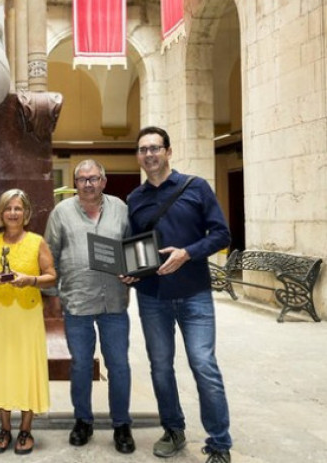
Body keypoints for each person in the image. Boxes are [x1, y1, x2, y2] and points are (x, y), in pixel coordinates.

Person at [123, 127, 232, 463]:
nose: (149, 154)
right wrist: (129, 270)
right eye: (143, 150)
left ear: (168, 152)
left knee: (204, 365)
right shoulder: (134, 199)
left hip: (194, 292)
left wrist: (187, 252)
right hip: (152, 295)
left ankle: (219, 442)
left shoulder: (195, 187)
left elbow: (221, 234)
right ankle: (173, 428)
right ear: (139, 156)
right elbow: (135, 247)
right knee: (160, 367)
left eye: (155, 148)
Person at [44, 159, 136, 454]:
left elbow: (133, 247)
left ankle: (121, 425)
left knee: (118, 365)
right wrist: (52, 296)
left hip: (114, 301)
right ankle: (83, 420)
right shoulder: (61, 212)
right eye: (82, 179)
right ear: (75, 182)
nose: (88, 184)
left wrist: (134, 270)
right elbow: (50, 254)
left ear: (104, 181)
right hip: (77, 301)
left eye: (94, 178)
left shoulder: (121, 209)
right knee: (81, 365)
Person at [0, 189, 56, 455]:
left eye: (18, 208)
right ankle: (4, 429)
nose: (13, 213)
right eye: (8, 208)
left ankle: (25, 429)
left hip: (27, 315)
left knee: (27, 369)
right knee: (2, 369)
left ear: (26, 213)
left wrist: (30, 279)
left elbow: (51, 276)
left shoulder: (37, 242)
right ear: (1, 213)